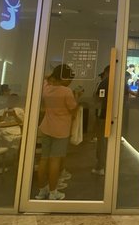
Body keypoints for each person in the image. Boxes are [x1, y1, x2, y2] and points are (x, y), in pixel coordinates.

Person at [35, 64, 82, 200]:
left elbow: (45, 78)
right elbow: (73, 109)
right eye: (69, 79)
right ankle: (53, 192)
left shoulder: (46, 88)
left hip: (46, 128)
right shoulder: (66, 91)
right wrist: (77, 97)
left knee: (44, 159)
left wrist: (52, 76)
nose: (70, 82)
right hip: (61, 130)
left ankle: (41, 191)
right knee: (55, 161)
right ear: (64, 78)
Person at [92, 65, 110, 175]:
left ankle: (100, 166)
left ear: (106, 72)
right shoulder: (119, 82)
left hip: (103, 115)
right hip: (114, 116)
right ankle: (109, 165)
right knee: (109, 141)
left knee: (102, 141)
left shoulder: (104, 83)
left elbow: (99, 98)